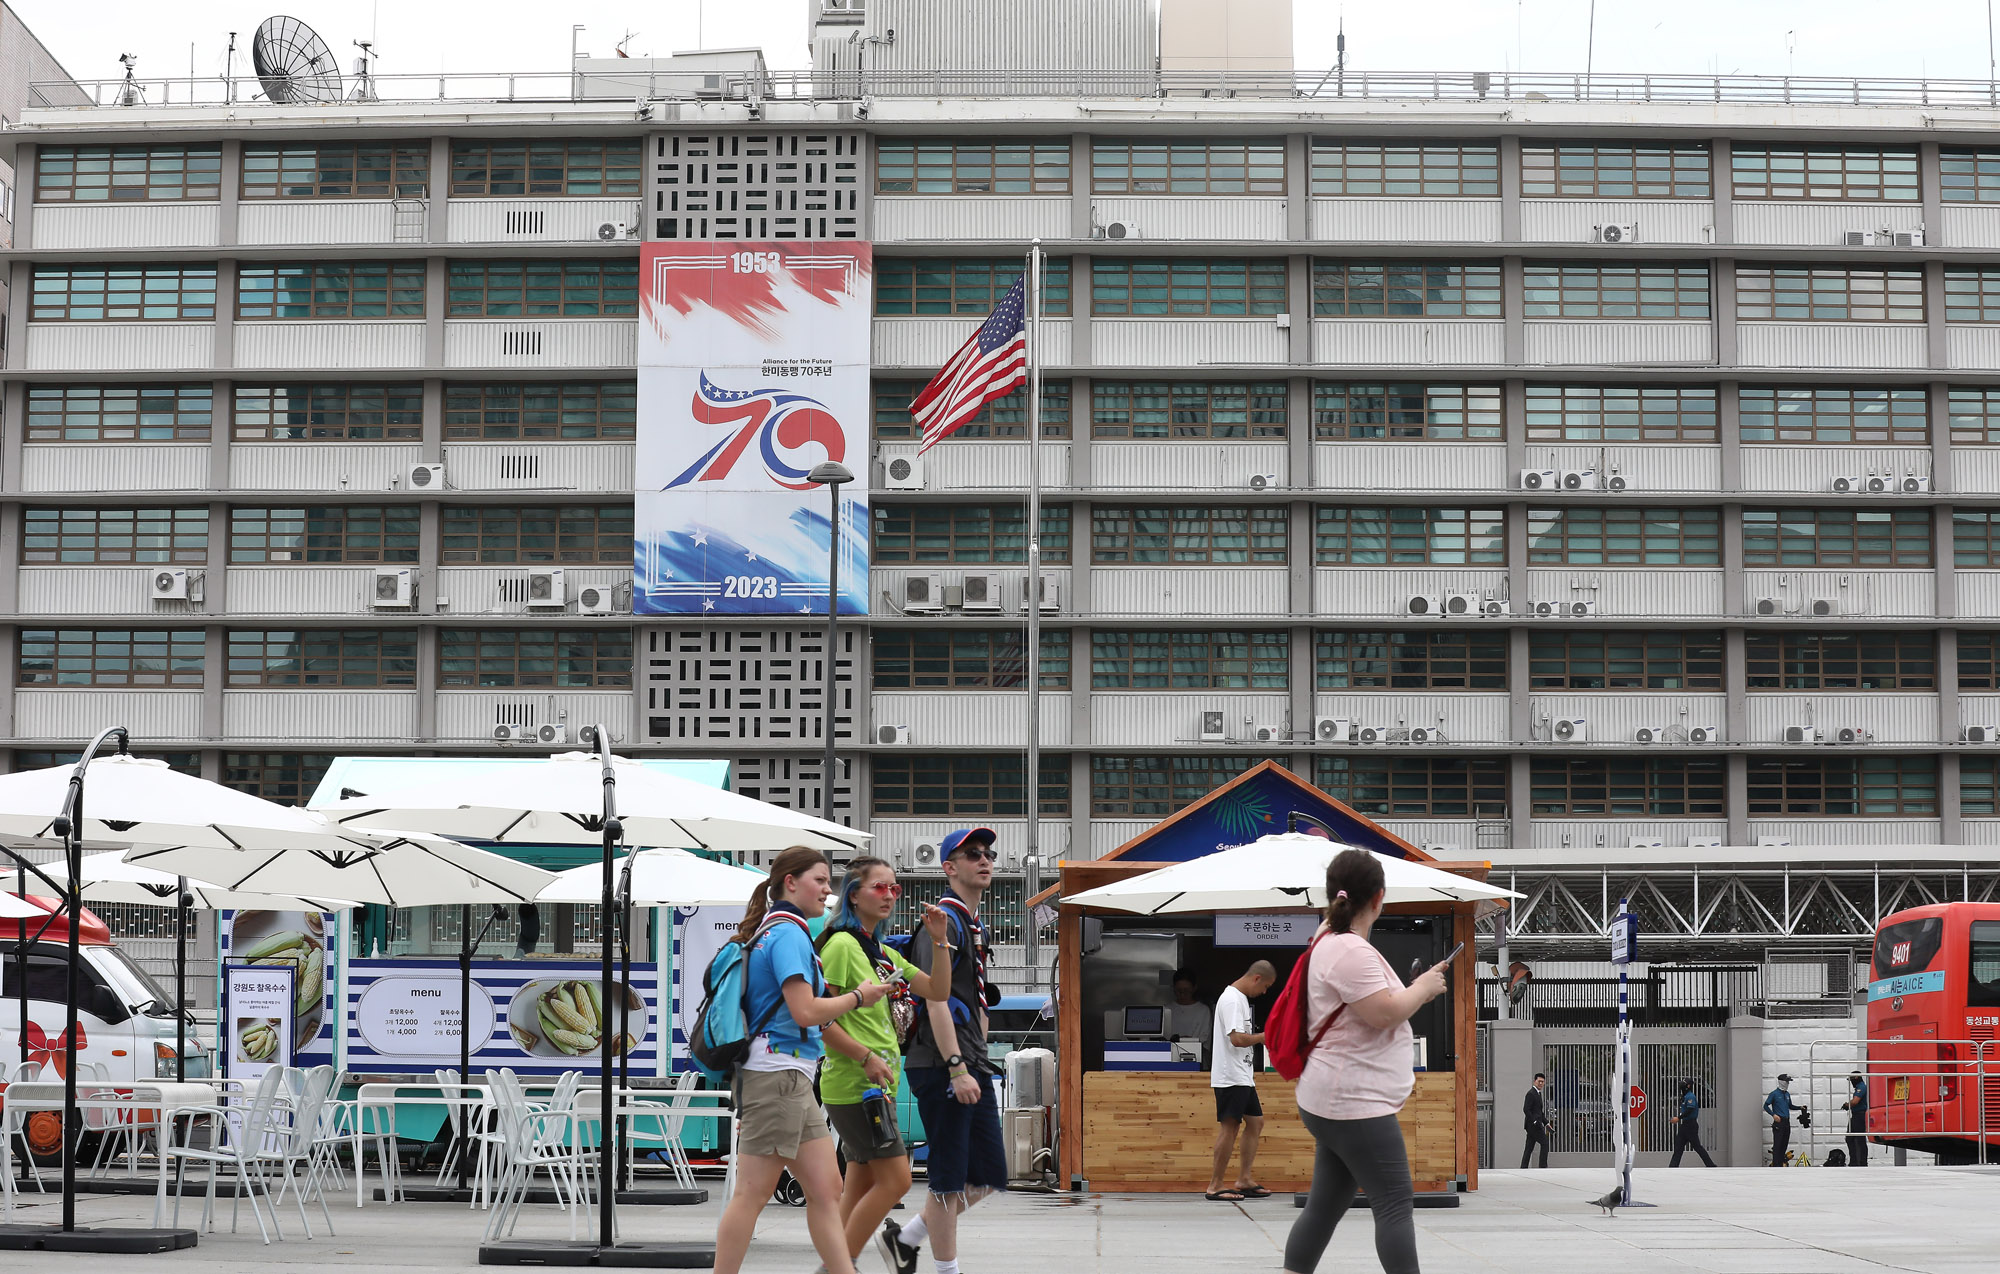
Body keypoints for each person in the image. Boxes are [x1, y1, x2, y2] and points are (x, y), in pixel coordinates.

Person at [712, 846, 888, 1274]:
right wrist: (858, 997)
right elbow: (805, 1012)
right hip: (778, 1076)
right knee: (753, 1193)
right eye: (821, 880)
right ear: (791, 882)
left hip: (788, 1077)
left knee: (828, 1190)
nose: (828, 891)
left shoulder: (776, 930)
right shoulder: (789, 933)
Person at [1283, 848, 1449, 1274]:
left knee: (1324, 1207)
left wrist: (1411, 989)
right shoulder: (1349, 950)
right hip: (1355, 1101)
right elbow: (1385, 1014)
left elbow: (1377, 1005)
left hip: (1331, 1098)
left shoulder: (1326, 938)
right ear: (1378, 898)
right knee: (1394, 1206)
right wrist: (1426, 987)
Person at [877, 828, 1007, 1274]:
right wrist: (956, 1067)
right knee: (949, 1179)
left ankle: (906, 1238)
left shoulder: (974, 924)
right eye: (973, 854)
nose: (985, 860)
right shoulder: (944, 921)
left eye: (988, 853)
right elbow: (934, 998)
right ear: (950, 867)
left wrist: (976, 1056)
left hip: (970, 1059)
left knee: (989, 1175)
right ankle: (946, 1269)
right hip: (941, 1062)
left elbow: (975, 998)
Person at [815, 856, 954, 1270]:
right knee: (896, 1179)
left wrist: (941, 940)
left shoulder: (885, 954)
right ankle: (840, 1265)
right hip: (855, 1084)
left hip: (877, 1086)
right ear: (853, 894)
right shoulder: (841, 945)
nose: (890, 895)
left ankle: (834, 1262)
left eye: (894, 888)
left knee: (859, 1184)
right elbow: (821, 1019)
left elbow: (938, 990)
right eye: (879, 887)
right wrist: (867, 1056)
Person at [1206, 960, 1277, 1201]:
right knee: (1230, 1126)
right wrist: (1263, 1037)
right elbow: (1236, 1039)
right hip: (1230, 1076)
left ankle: (1244, 1178)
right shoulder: (1233, 999)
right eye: (1266, 986)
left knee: (1255, 1122)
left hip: (1242, 1075)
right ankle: (1215, 1185)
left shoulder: (1240, 999)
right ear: (1257, 978)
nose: (1264, 992)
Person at [1668, 1078, 1715, 1167]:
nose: (1681, 1085)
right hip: (1685, 1125)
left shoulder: (1690, 1096)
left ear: (1688, 1086)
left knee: (1697, 1147)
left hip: (1690, 1125)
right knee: (1678, 1147)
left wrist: (1678, 1118)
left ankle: (1711, 1165)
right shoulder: (1685, 1096)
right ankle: (1672, 1167)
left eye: (1684, 1083)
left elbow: (1690, 1109)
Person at [1170, 970, 1212, 1047]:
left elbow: (1204, 1038)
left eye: (1186, 991)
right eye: (1179, 990)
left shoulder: (1203, 1010)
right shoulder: (1167, 1009)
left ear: (1194, 988)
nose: (1182, 994)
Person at [1763, 1073, 1795, 1167]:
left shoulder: (1787, 1094)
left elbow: (1790, 1106)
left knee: (1784, 1144)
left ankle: (1781, 1164)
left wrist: (1800, 1108)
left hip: (1786, 1122)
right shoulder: (1774, 1094)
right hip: (1779, 1122)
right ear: (1781, 1082)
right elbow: (1765, 1105)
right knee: (1777, 1145)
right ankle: (1776, 1165)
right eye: (1786, 1081)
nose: (1788, 1083)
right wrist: (1773, 1115)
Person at [1520, 1073, 1550, 1168]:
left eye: (1542, 1082)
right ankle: (1543, 1166)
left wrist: (1546, 1123)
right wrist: (1534, 1121)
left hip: (1533, 1125)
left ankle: (1523, 1167)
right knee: (1545, 1143)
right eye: (1539, 1081)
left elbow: (1539, 1111)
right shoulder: (1531, 1093)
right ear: (1534, 1081)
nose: (1541, 1083)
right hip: (1534, 1125)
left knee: (1529, 1147)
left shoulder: (1537, 1093)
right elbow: (1526, 1109)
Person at [1841, 1072, 1869, 1166]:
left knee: (1859, 1139)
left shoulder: (1861, 1087)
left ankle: (1861, 1162)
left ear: (1856, 1077)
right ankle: (1854, 1161)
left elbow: (1855, 1101)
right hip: (1856, 1115)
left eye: (1852, 1079)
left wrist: (1847, 1105)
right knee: (1850, 1138)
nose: (1851, 1082)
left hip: (1859, 1116)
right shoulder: (1859, 1087)